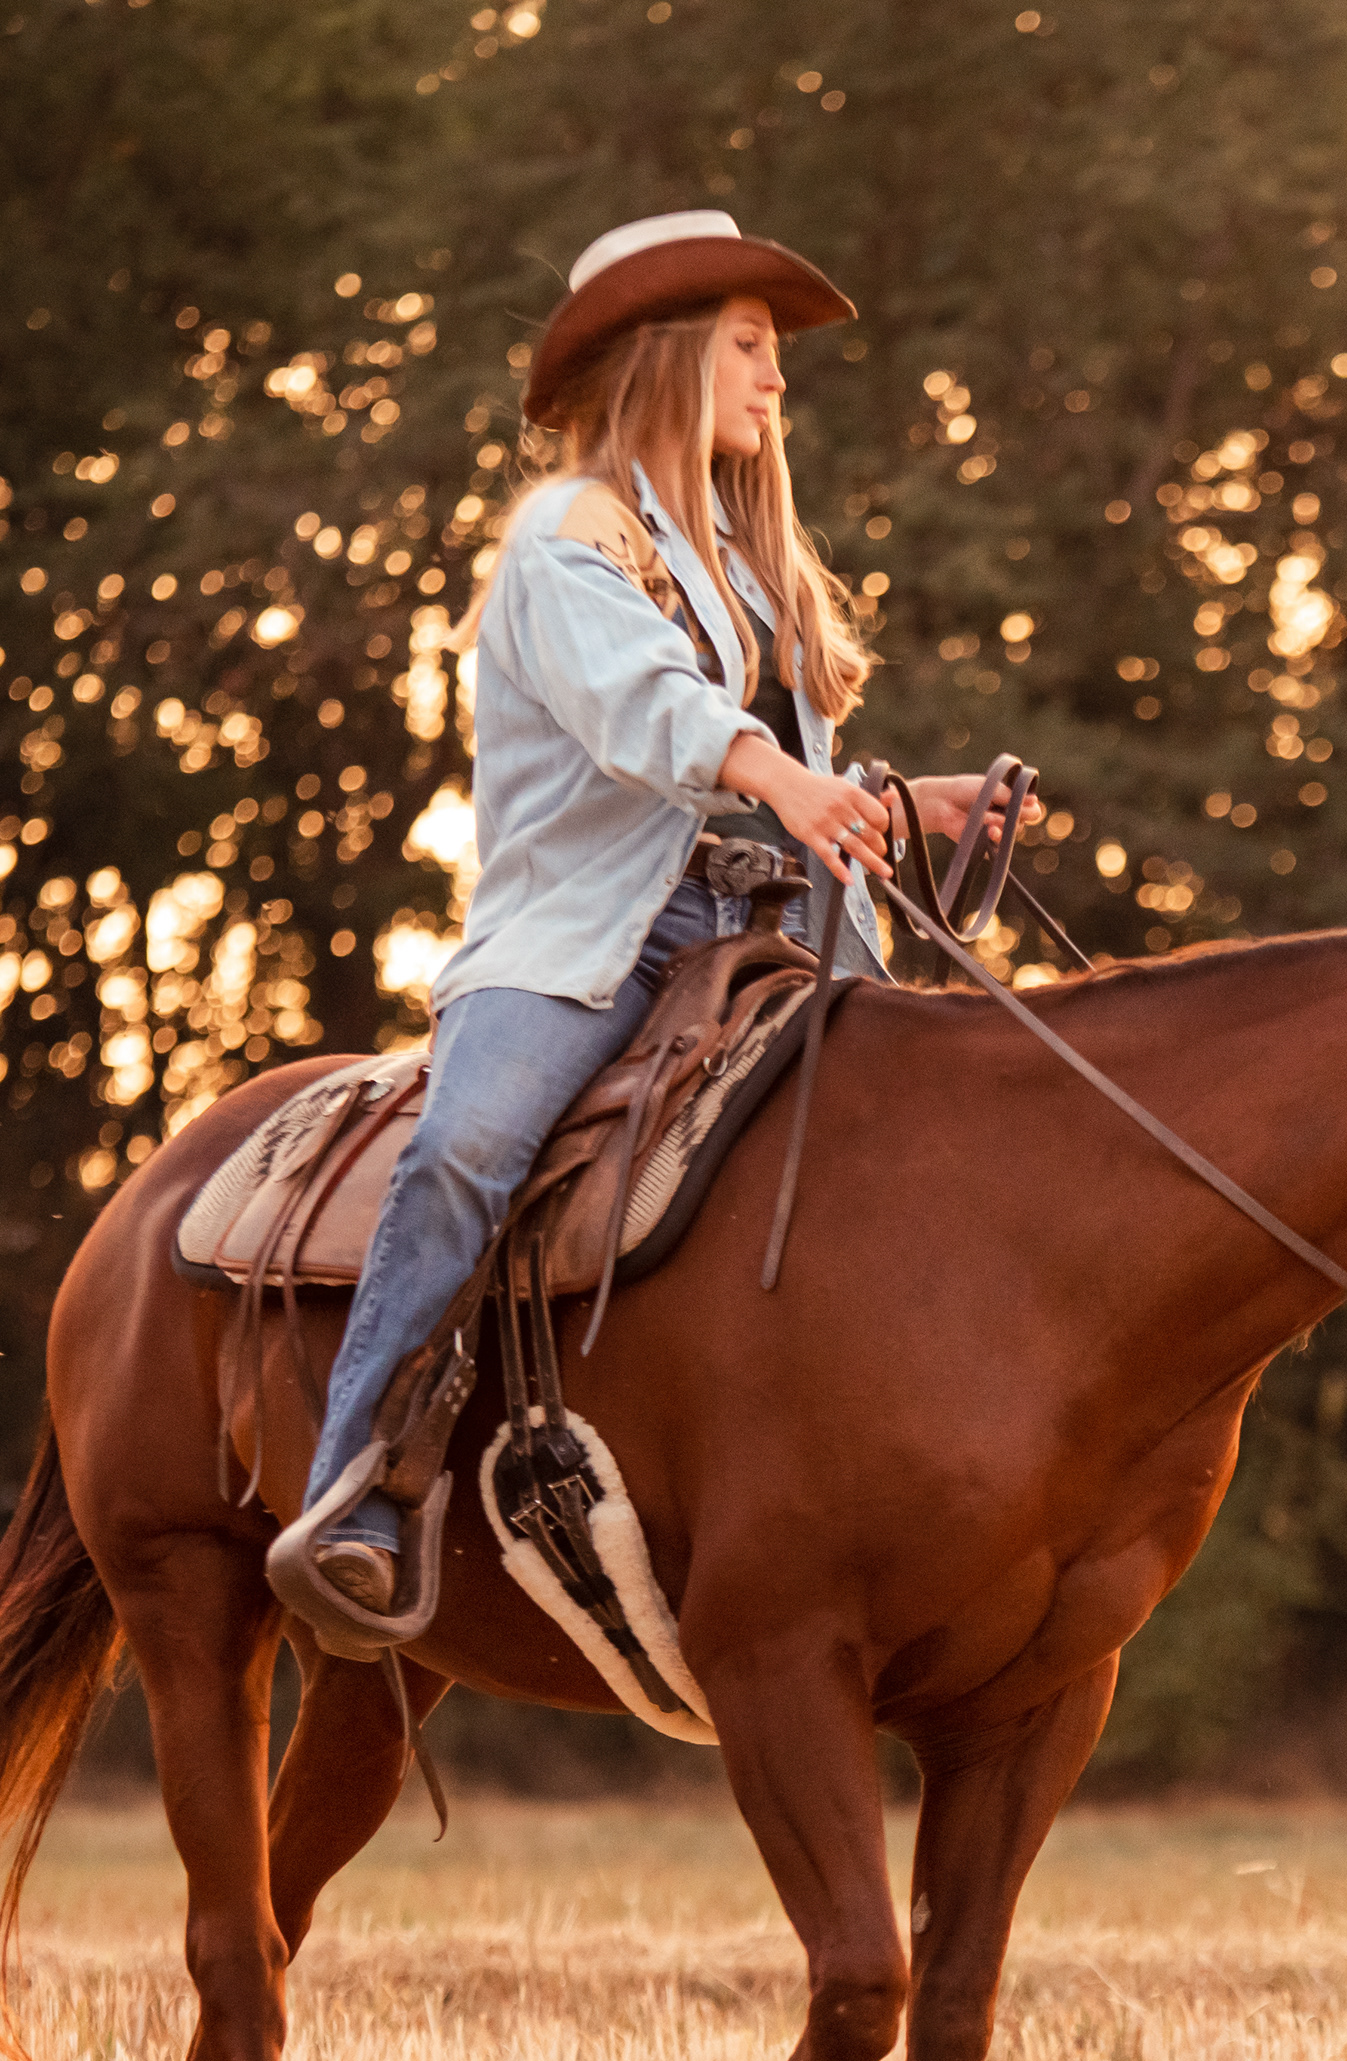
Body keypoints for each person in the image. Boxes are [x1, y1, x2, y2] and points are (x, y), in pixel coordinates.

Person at [281, 210, 1016, 1617]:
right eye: (749, 346)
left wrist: (897, 803)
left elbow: (756, 773)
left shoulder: (740, 568)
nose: (777, 380)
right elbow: (648, 715)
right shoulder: (568, 537)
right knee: (469, 1147)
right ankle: (355, 1488)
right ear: (670, 356)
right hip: (587, 944)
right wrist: (786, 783)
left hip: (761, 930)